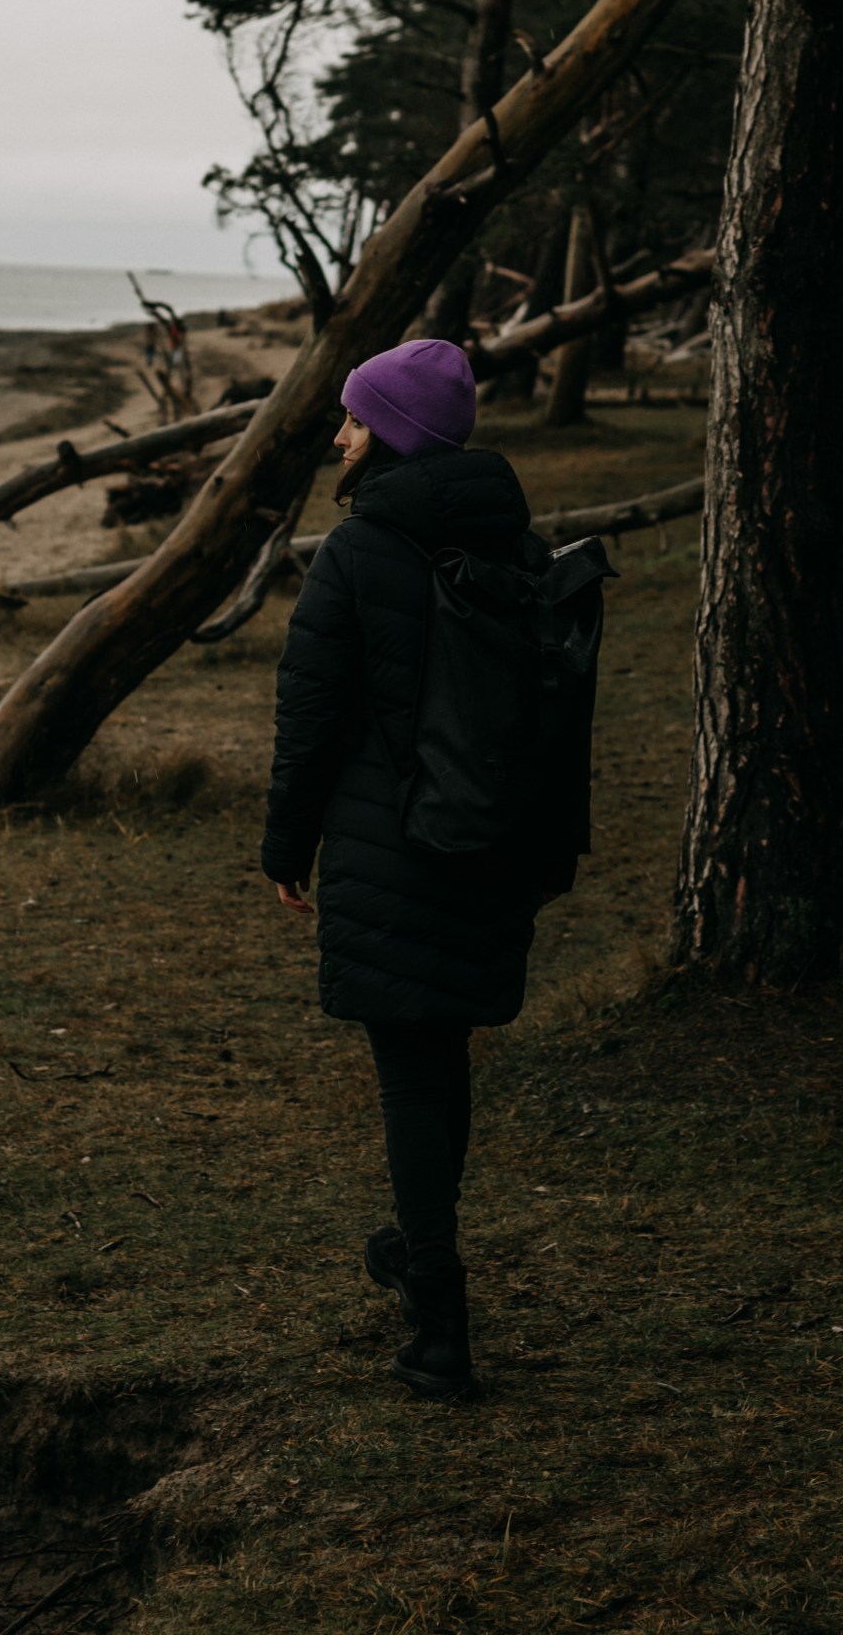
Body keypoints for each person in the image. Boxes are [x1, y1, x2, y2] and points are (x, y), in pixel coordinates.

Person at [261, 338, 574, 1399]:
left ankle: (437, 1320)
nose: (339, 437)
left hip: (390, 842)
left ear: (392, 433)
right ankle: (416, 1243)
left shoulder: (357, 552)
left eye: (354, 419)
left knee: (409, 1062)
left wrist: (284, 846)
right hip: (490, 840)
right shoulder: (518, 545)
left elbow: (309, 718)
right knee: (443, 1049)